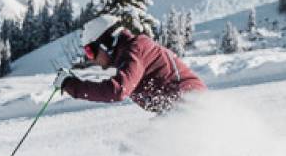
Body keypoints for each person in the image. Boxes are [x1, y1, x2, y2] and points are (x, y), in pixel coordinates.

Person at [61, 14, 207, 114]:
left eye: (90, 51)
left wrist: (70, 85)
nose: (91, 59)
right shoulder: (127, 54)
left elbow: (117, 91)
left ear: (106, 43)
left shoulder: (135, 49)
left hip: (189, 101)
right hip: (180, 105)